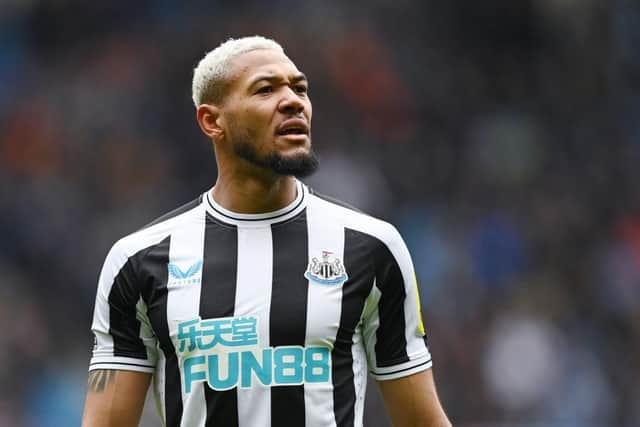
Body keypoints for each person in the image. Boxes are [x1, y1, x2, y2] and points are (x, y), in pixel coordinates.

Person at [81, 35, 452, 427]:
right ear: (212, 121)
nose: (293, 101)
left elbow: (421, 419)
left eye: (300, 88)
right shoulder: (138, 261)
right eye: (265, 89)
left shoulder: (372, 247)